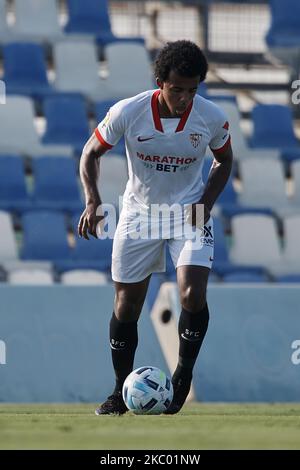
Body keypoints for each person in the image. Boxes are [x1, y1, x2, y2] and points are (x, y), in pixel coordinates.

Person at [78, 40, 233, 415]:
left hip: (188, 214)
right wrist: (93, 200)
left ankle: (182, 376)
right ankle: (119, 392)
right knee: (126, 305)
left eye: (192, 90)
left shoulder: (210, 117)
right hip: (138, 215)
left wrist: (205, 203)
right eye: (177, 88)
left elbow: (224, 162)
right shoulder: (129, 111)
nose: (184, 98)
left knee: (192, 294)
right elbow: (90, 154)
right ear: (161, 81)